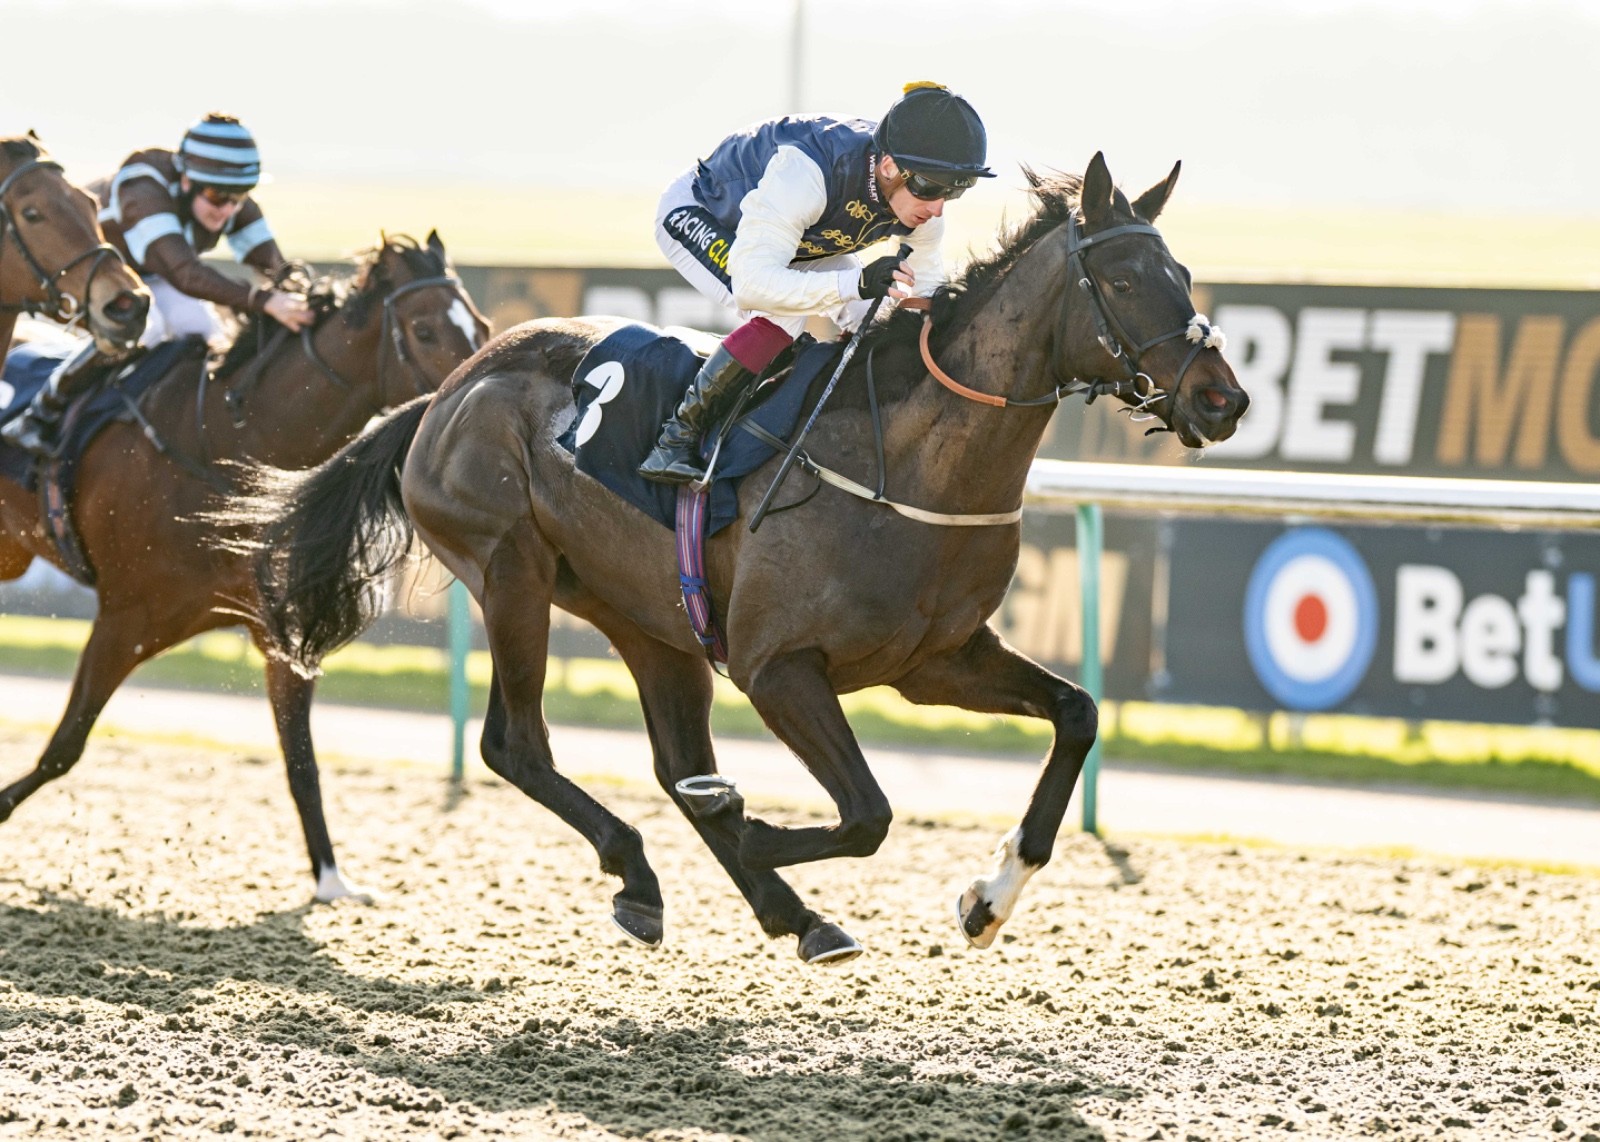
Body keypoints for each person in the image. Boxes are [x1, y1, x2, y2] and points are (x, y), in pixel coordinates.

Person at [639, 82, 994, 484]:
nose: (937, 207)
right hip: (705, 214)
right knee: (781, 315)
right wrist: (856, 282)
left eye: (957, 190)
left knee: (877, 320)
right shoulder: (804, 174)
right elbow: (753, 285)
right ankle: (675, 438)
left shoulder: (918, 198)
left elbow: (924, 297)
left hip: (800, 239)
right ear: (890, 166)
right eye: (931, 187)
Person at [3, 113, 313, 456]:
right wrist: (265, 301)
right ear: (185, 181)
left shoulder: (226, 199)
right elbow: (185, 272)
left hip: (151, 278)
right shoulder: (142, 184)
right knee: (146, 330)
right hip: (105, 282)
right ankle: (41, 412)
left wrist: (304, 295)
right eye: (216, 195)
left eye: (238, 198)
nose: (227, 208)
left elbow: (275, 264)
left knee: (200, 327)